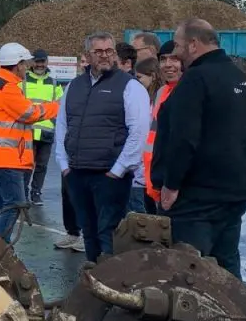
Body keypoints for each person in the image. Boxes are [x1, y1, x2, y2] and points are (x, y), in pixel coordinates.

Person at [151, 19, 246, 277]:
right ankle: (234, 303)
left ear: (193, 44)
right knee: (226, 268)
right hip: (236, 192)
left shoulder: (196, 79)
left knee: (188, 272)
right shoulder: (242, 80)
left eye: (178, 46)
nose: (176, 54)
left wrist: (171, 185)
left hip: (197, 198)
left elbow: (183, 138)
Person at [55, 31, 151, 261]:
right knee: (89, 234)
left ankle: (110, 280)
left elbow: (138, 132)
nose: (105, 56)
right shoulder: (74, 87)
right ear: (88, 55)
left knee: (109, 234)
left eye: (109, 51)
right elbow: (62, 126)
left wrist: (118, 170)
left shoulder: (130, 86)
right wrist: (64, 165)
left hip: (110, 177)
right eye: (98, 51)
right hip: (77, 174)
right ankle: (93, 276)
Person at [0, 42, 59, 241]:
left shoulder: (1, 84)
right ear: (17, 65)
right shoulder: (7, 88)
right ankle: (1, 249)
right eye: (25, 64)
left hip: (0, 156)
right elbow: (29, 113)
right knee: (14, 204)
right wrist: (57, 107)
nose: (27, 67)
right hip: (7, 157)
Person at [55, 45, 89, 252]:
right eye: (81, 62)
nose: (84, 65)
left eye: (86, 61)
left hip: (89, 151)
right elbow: (63, 118)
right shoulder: (73, 87)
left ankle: (87, 235)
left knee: (86, 196)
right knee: (68, 194)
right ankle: (72, 232)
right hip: (71, 150)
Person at [142, 42, 182, 215]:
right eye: (163, 59)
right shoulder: (162, 92)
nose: (168, 64)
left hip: (173, 185)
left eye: (174, 59)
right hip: (155, 180)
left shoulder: (189, 92)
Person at [22, 50, 64, 205]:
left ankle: (36, 193)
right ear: (32, 62)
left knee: (42, 166)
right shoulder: (24, 81)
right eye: (37, 62)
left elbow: (60, 105)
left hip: (47, 132)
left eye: (42, 62)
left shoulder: (54, 83)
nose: (40, 65)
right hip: (28, 131)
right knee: (27, 165)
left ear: (47, 62)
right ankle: (23, 193)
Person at [127, 56, 159, 213]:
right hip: (143, 166)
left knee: (140, 211)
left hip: (146, 166)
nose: (136, 81)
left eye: (139, 77)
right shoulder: (146, 97)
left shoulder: (156, 99)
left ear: (152, 76)